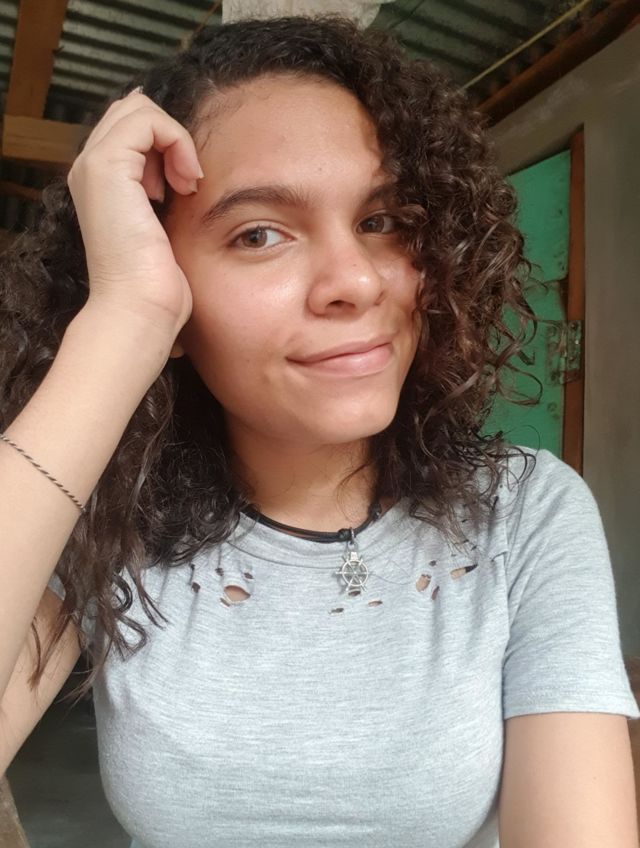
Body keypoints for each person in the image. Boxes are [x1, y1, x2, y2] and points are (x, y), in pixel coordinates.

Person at [0, 13, 638, 848]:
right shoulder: (115, 517)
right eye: (259, 233)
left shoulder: (524, 513)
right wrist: (124, 318)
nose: (356, 281)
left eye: (382, 221)